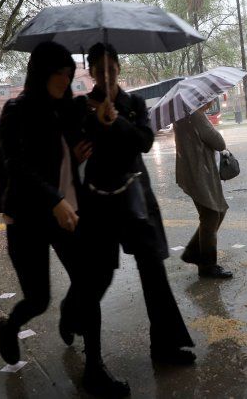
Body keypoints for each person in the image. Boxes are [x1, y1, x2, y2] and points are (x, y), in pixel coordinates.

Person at [0, 41, 126, 397]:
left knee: (87, 285)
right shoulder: (16, 111)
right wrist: (53, 199)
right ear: (41, 73)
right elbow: (17, 165)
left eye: (70, 74)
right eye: (59, 73)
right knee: (38, 300)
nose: (65, 80)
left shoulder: (70, 109)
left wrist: (101, 122)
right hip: (27, 218)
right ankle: (10, 326)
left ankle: (95, 370)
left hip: (67, 212)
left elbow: (84, 137)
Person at [81, 42, 195, 367]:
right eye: (99, 69)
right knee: (97, 278)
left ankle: (165, 347)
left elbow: (145, 142)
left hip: (136, 198)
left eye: (111, 67)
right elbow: (77, 145)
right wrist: (94, 120)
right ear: (90, 72)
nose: (106, 74)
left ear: (119, 67)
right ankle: (86, 347)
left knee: (154, 273)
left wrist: (116, 120)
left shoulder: (134, 103)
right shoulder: (83, 106)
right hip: (99, 204)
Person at [174, 102, 233, 278]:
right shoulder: (196, 116)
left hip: (194, 172)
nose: (211, 101)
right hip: (200, 174)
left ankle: (193, 252)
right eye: (209, 99)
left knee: (214, 214)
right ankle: (208, 266)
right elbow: (219, 142)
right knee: (212, 215)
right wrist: (209, 124)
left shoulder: (183, 116)